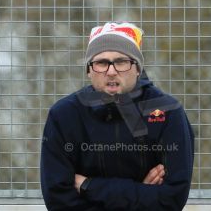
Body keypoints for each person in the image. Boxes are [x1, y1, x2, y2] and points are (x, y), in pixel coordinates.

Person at [40, 22, 194, 211]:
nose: (111, 71)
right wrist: (140, 193)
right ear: (89, 70)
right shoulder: (63, 115)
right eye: (101, 63)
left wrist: (89, 186)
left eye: (121, 61)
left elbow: (172, 198)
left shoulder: (167, 112)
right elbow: (58, 199)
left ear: (138, 68)